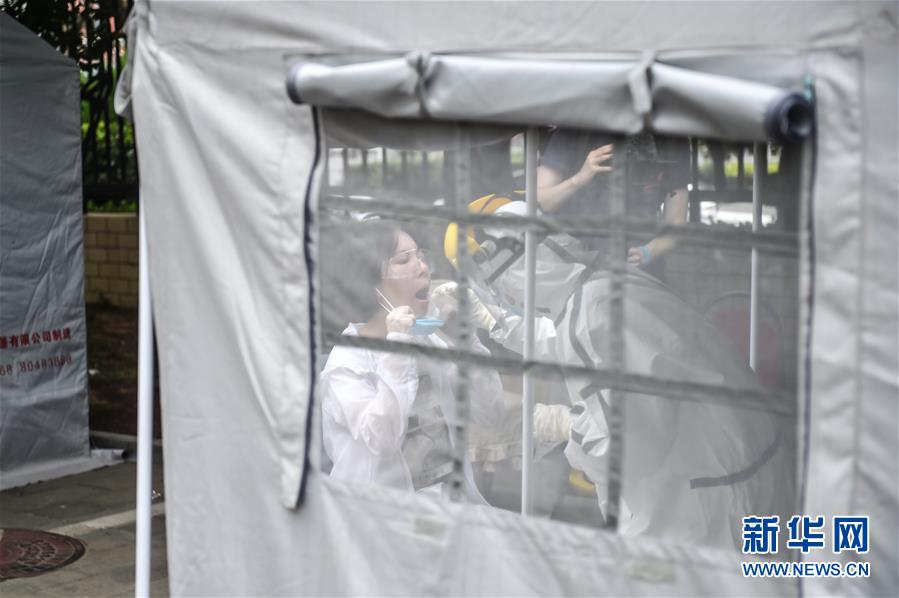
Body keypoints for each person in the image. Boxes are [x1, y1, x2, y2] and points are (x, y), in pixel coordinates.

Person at [444, 199, 794, 549]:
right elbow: (566, 338)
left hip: (703, 502)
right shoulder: (601, 285)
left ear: (510, 270)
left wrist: (561, 425)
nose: (502, 294)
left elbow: (622, 452)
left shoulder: (590, 317)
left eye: (496, 286)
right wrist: (497, 321)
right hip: (742, 461)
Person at [319, 219, 504, 500]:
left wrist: (466, 341)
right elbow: (381, 439)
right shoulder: (347, 363)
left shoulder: (427, 341)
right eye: (404, 260)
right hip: (380, 514)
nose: (423, 268)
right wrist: (397, 348)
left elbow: (489, 412)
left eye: (421, 256)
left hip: (449, 506)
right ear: (370, 282)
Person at [537, 128, 690, 275]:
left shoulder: (672, 135)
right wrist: (579, 179)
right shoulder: (574, 126)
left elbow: (676, 224)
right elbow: (539, 202)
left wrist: (647, 252)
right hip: (573, 268)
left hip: (638, 274)